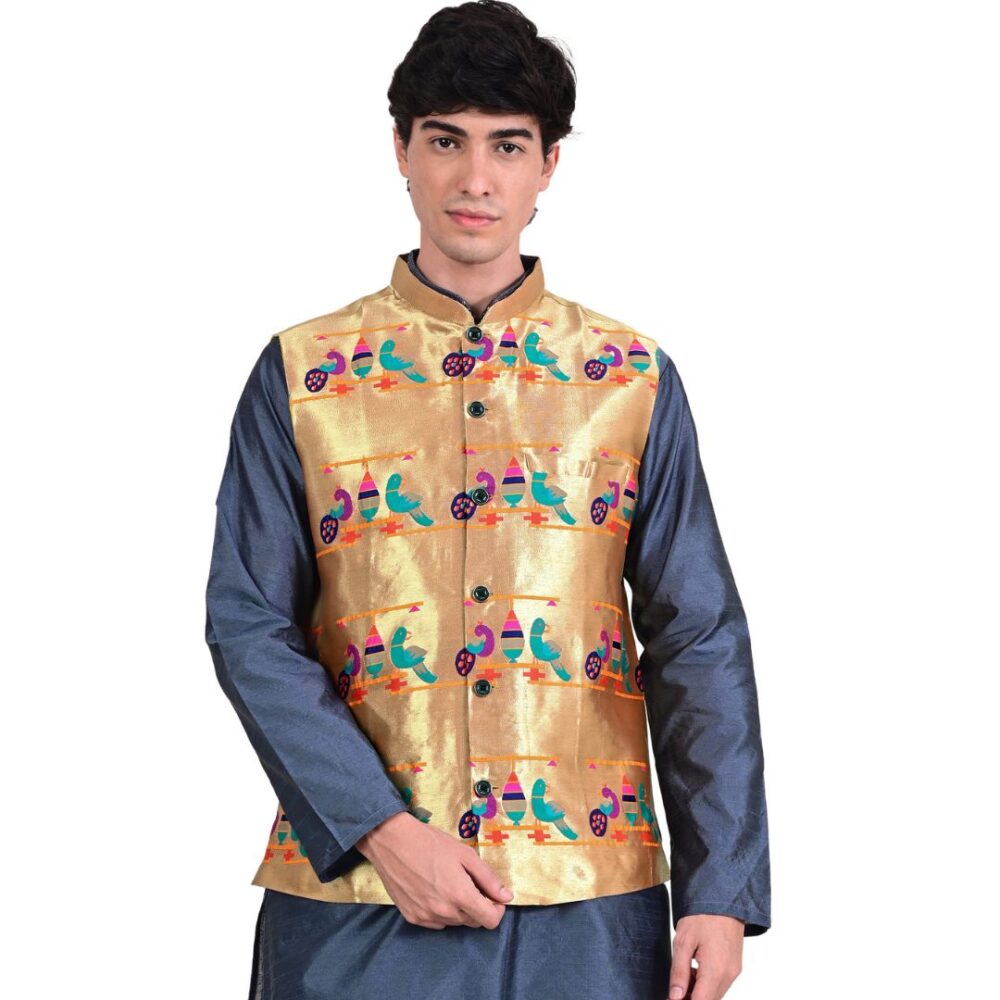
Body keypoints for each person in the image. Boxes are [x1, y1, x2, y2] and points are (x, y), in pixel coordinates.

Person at [204, 3, 770, 998]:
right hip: (355, 901)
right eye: (446, 141)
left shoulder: (629, 378)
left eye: (507, 146)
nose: (475, 179)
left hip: (590, 908)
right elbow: (250, 624)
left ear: (547, 164)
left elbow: (696, 637)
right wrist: (383, 829)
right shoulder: (302, 375)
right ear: (401, 151)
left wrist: (718, 890)